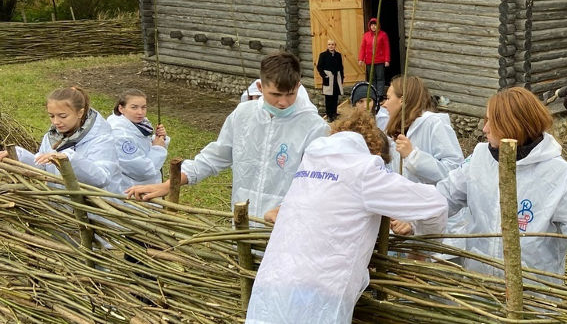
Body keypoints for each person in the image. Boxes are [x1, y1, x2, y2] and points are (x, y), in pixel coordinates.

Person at [245, 106, 448, 324]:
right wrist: (419, 246)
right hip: (319, 297)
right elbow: (436, 204)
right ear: (377, 153)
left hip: (271, 285)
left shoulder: (311, 163)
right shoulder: (365, 170)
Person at [430, 87, 567, 283]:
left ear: (511, 125)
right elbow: (445, 195)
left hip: (534, 293)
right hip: (482, 285)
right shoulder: (478, 158)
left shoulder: (560, 174)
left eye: (490, 120)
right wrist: (412, 216)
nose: (484, 128)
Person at [125, 52, 330, 219]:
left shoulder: (314, 127)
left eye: (290, 94)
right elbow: (213, 157)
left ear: (298, 86)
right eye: (275, 94)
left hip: (286, 227)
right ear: (260, 87)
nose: (283, 102)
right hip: (244, 223)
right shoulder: (243, 115)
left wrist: (288, 212)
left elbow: (318, 184)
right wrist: (169, 185)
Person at [0, 87, 126, 194]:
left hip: (97, 216)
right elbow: (44, 167)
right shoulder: (53, 137)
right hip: (63, 210)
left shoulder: (101, 139)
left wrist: (66, 159)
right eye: (51, 116)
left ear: (80, 113)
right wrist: (20, 156)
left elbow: (101, 178)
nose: (56, 122)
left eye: (63, 116)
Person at [383, 76, 463, 185]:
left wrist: (413, 156)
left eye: (388, 98)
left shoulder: (433, 124)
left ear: (402, 100)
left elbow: (454, 170)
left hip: (430, 199)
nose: (384, 105)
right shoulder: (397, 129)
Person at [107, 88, 170, 187]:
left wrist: (159, 139)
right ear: (121, 108)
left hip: (143, 190)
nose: (140, 112)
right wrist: (158, 149)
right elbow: (142, 171)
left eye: (143, 107)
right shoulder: (121, 136)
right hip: (130, 193)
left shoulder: (139, 126)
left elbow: (142, 148)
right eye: (134, 107)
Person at [358, 17, 390, 97]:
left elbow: (386, 48)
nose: (373, 27)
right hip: (369, 61)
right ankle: (373, 94)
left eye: (375, 25)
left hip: (380, 61)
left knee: (380, 78)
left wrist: (387, 60)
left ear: (378, 26)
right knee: (372, 79)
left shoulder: (383, 35)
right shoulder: (366, 35)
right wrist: (361, 59)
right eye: (372, 25)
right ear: (370, 26)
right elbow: (363, 47)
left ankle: (380, 94)